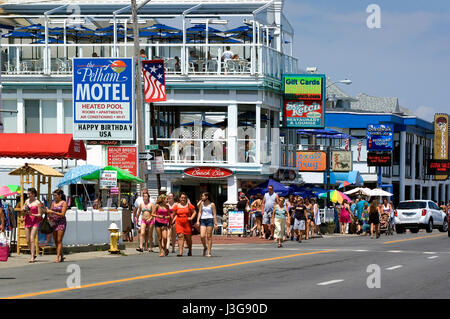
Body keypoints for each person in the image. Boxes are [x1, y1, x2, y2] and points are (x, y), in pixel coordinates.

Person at [171, 192, 196, 256]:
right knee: (180, 236)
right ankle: (180, 252)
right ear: (179, 198)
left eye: (184, 198)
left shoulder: (189, 205)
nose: (183, 199)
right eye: (182, 198)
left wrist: (191, 218)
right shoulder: (176, 206)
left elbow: (194, 212)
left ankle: (190, 250)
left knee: (188, 238)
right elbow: (173, 214)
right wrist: (170, 222)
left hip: (187, 223)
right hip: (179, 222)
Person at [46, 189, 67, 263]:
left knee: (59, 240)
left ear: (60, 195)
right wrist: (48, 212)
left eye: (55, 195)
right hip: (54, 222)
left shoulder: (63, 203)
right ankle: (62, 254)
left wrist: (53, 212)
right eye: (54, 195)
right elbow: (50, 213)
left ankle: (57, 257)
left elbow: (62, 214)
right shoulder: (53, 203)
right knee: (55, 240)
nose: (54, 197)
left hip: (61, 222)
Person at [23, 188, 43, 263]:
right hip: (27, 220)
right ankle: (32, 253)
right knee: (27, 240)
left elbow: (40, 214)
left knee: (32, 238)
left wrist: (32, 214)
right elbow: (23, 209)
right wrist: (24, 209)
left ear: (34, 194)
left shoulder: (37, 202)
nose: (28, 195)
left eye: (30, 193)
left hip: (35, 220)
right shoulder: (27, 201)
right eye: (28, 194)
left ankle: (32, 257)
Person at [196, 192, 218, 257]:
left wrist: (215, 223)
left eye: (203, 196)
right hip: (203, 220)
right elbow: (200, 212)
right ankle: (205, 247)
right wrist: (197, 220)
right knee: (202, 236)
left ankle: (209, 251)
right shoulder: (201, 204)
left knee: (209, 237)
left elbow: (214, 214)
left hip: (210, 220)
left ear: (207, 197)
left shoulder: (212, 204)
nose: (202, 197)